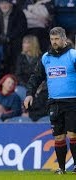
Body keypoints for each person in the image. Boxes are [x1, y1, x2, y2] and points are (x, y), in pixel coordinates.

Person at [24, 27, 76, 174]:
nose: (54, 42)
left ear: (64, 39)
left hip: (72, 101)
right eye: (52, 39)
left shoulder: (73, 55)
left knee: (73, 134)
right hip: (54, 102)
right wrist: (29, 94)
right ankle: (61, 168)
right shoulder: (46, 57)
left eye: (57, 39)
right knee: (59, 136)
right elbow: (36, 77)